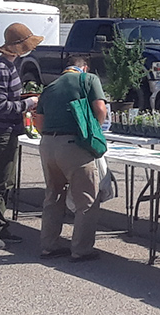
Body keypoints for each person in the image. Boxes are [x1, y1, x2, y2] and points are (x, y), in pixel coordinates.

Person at [35, 55, 107, 262]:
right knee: (87, 200)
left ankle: (49, 245)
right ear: (84, 67)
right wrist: (95, 130)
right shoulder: (89, 79)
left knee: (53, 196)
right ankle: (81, 249)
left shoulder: (50, 87)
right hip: (74, 145)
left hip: (48, 145)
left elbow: (39, 121)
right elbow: (100, 109)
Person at [0, 23, 42, 249]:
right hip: (1, 132)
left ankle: (0, 225)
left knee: (7, 181)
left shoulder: (9, 66)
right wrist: (28, 103)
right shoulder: (1, 69)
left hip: (8, 131)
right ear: (16, 47)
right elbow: (1, 106)